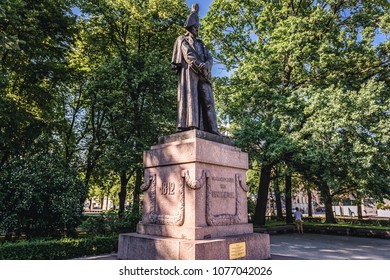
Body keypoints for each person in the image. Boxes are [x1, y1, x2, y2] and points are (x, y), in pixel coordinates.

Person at [171, 3, 221, 135]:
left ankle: (213, 129)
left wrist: (207, 66)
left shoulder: (201, 44)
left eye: (198, 28)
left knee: (208, 101)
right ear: (190, 27)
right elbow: (189, 56)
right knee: (191, 99)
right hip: (190, 74)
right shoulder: (183, 40)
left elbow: (209, 58)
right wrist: (201, 66)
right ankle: (191, 125)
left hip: (204, 75)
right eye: (195, 27)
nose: (197, 30)